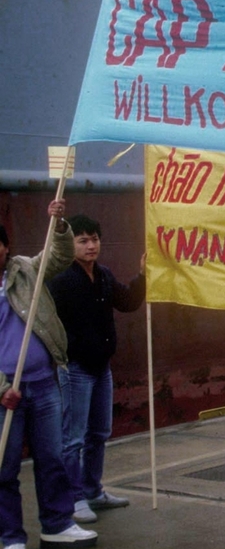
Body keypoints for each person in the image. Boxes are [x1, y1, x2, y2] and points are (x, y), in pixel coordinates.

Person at [2, 200, 98, 549]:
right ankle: (11, 536)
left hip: (44, 384)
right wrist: (1, 389)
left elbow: (58, 257)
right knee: (5, 466)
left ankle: (56, 524)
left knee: (51, 458)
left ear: (5, 247)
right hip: (5, 393)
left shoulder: (27, 270)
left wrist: (59, 225)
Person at [48, 215, 145, 525]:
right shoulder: (61, 279)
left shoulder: (103, 275)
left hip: (102, 368)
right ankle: (74, 499)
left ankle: (93, 490)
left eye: (95, 239)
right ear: (70, 244)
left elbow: (128, 301)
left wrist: (143, 276)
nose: (91, 246)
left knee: (99, 433)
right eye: (83, 240)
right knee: (72, 439)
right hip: (75, 369)